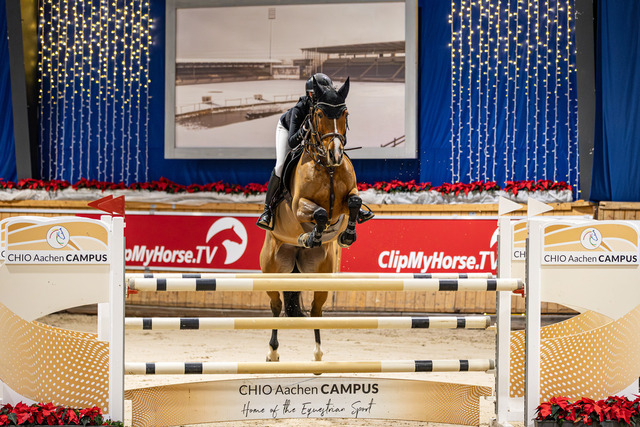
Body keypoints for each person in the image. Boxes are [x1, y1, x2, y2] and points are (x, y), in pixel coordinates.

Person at [256, 73, 373, 231]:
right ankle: (268, 210)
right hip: (289, 131)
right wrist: (305, 128)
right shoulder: (300, 109)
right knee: (281, 165)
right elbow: (292, 142)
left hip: (315, 139)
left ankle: (355, 207)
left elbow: (340, 136)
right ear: (310, 95)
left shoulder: (329, 106)